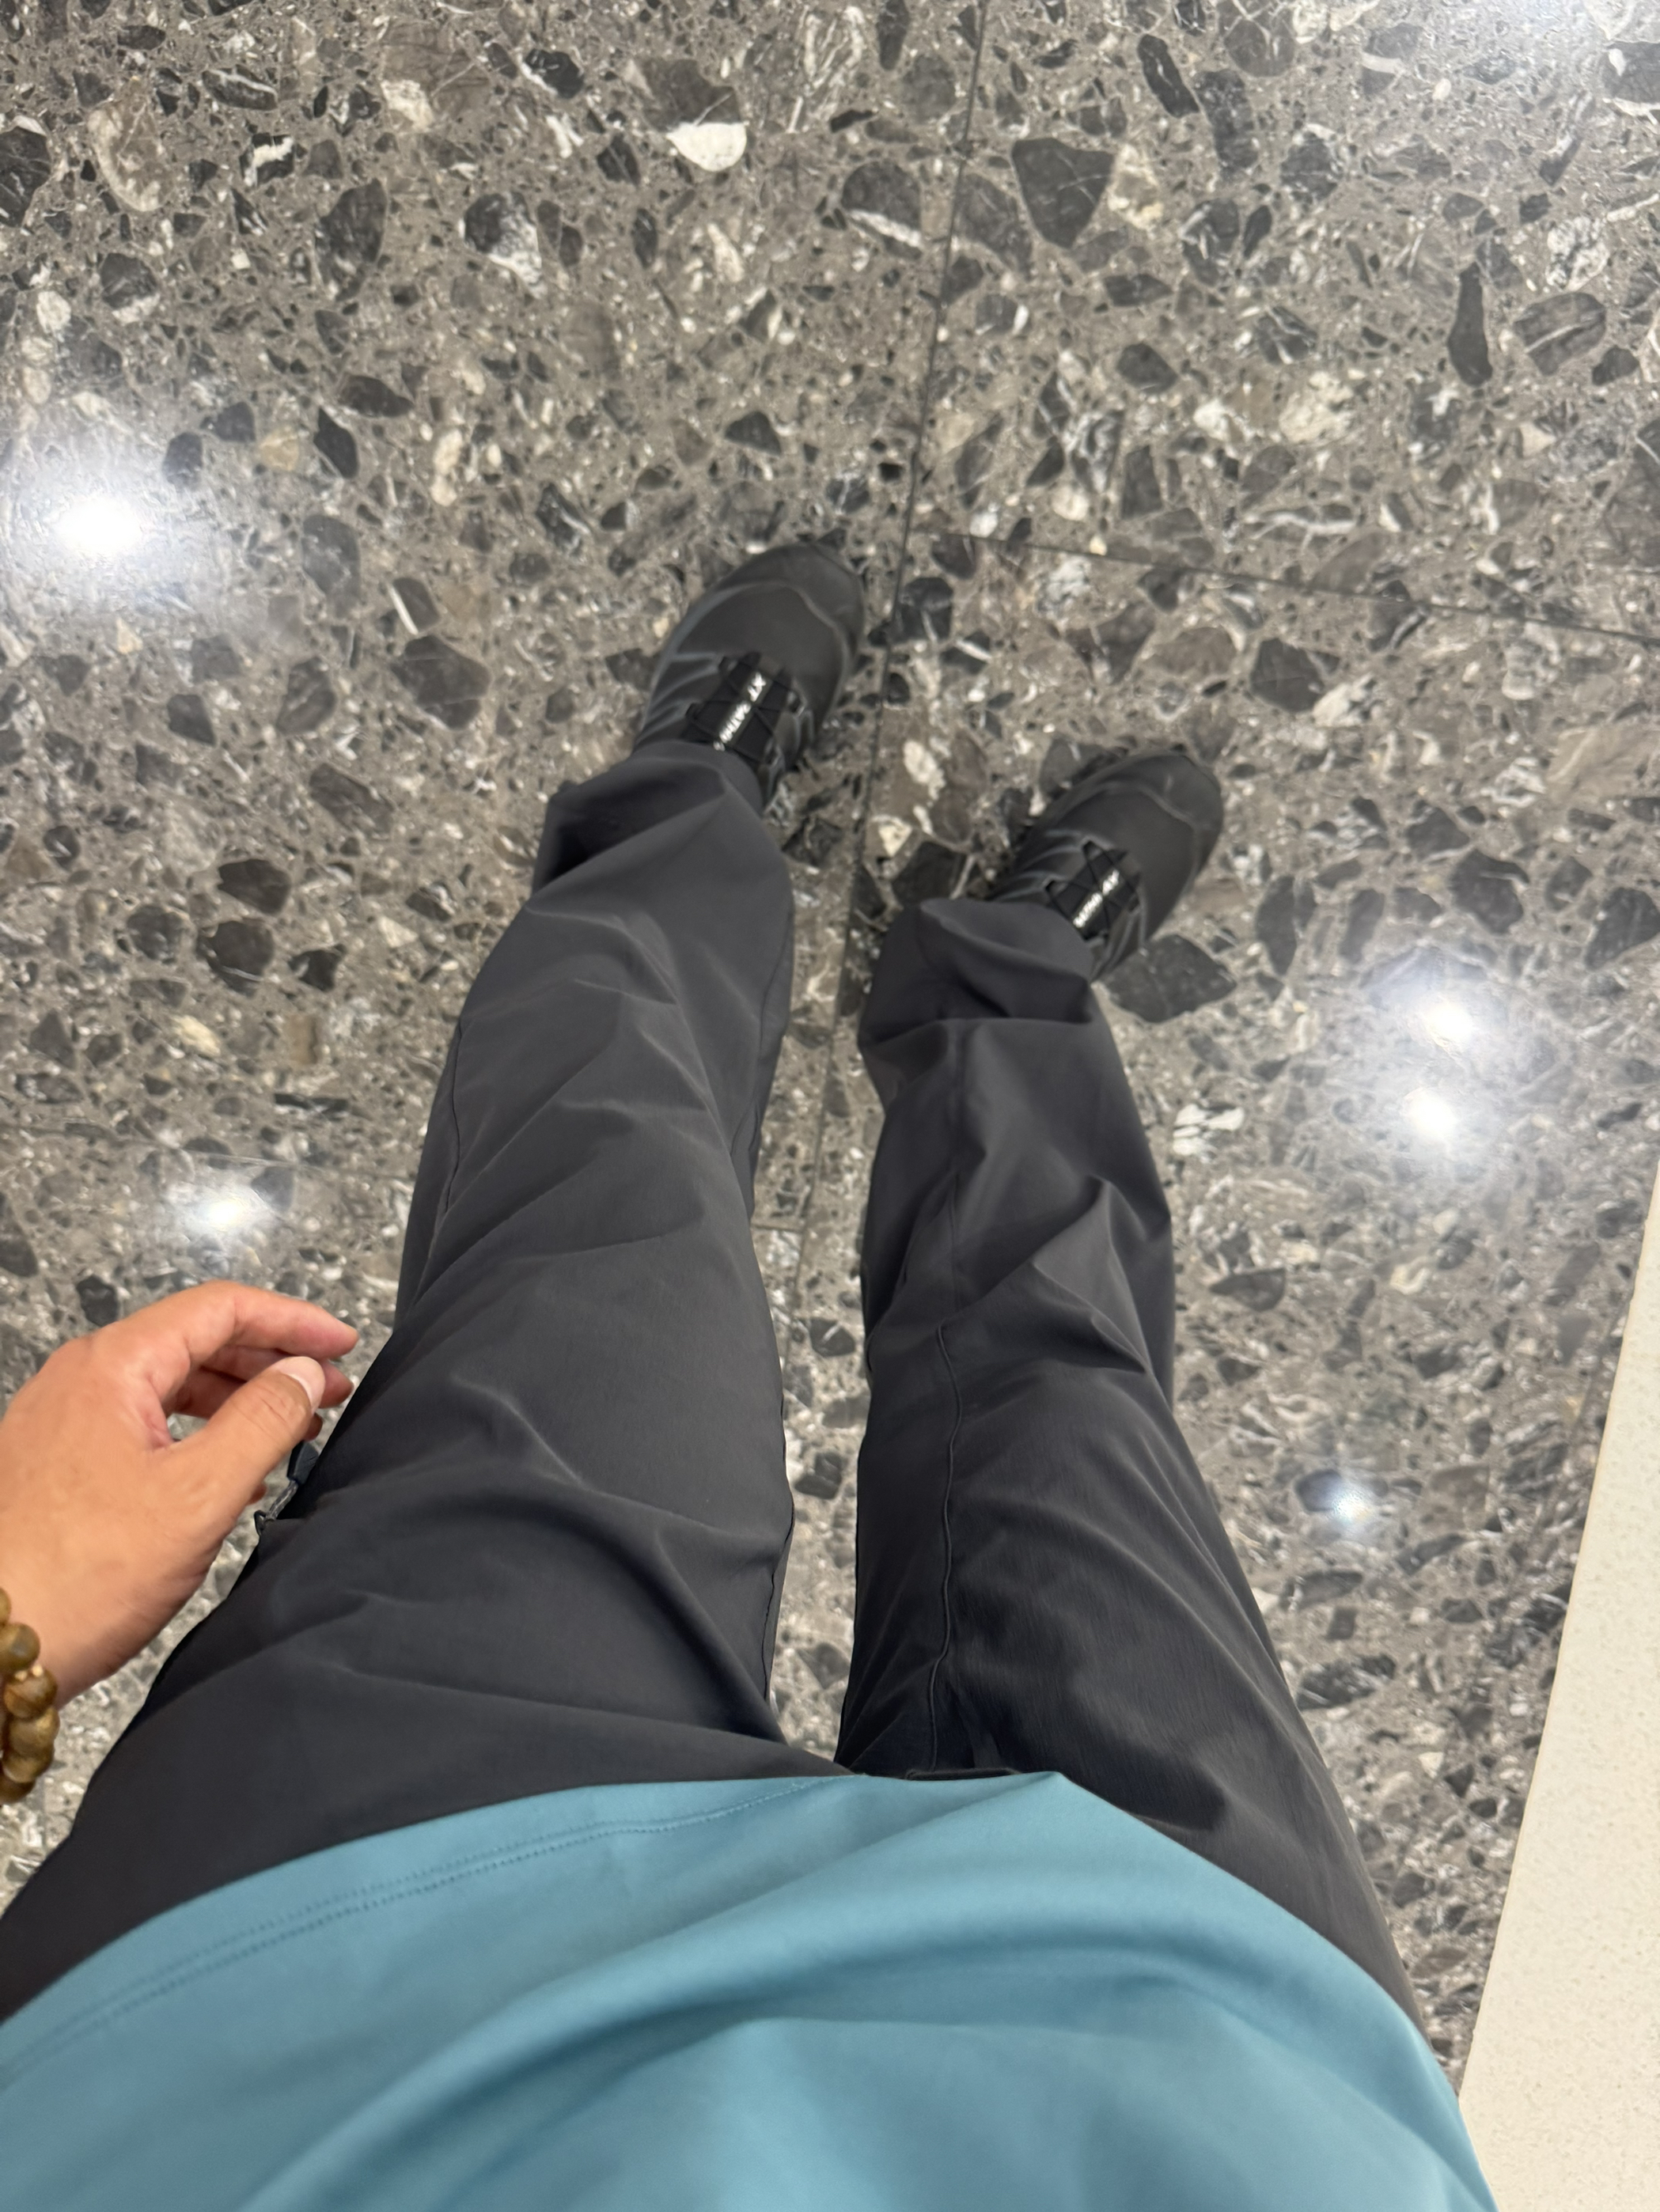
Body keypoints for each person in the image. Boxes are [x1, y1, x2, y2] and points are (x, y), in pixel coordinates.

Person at [0, 547, 1491, 2209]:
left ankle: (692, 798)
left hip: (309, 2003)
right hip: (1228, 2070)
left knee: (597, 1189)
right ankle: (1008, 983)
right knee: (1063, 1376)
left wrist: (9, 1622)